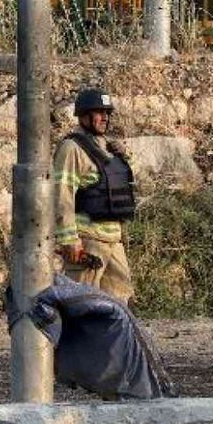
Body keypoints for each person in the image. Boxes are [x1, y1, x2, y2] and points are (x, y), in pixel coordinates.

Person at [53, 88, 136, 302]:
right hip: (88, 241)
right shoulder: (72, 148)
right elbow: (62, 195)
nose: (105, 117)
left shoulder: (110, 147)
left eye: (107, 113)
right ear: (83, 115)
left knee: (119, 303)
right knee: (82, 303)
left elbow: (121, 185)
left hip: (113, 240)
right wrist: (69, 240)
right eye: (99, 112)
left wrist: (124, 156)